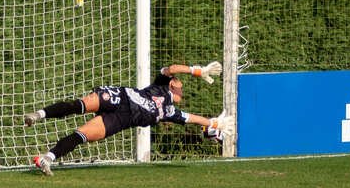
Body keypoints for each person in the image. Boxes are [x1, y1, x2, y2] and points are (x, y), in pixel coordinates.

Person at [23, 61, 230, 175]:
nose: (179, 83)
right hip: (120, 97)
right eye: (177, 82)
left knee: (81, 136)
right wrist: (197, 71)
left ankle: (46, 159)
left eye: (180, 85)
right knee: (79, 105)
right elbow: (173, 68)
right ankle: (38, 115)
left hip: (122, 120)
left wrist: (213, 123)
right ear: (171, 84)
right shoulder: (160, 84)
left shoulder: (170, 112)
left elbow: (191, 118)